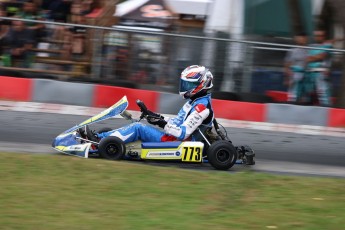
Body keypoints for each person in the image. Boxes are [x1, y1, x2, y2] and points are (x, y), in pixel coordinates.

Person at [80, 65, 215, 144]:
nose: (185, 87)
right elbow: (178, 123)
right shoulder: (195, 101)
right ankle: (102, 137)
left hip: (176, 143)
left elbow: (183, 133)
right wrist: (156, 117)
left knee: (138, 128)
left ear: (201, 84)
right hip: (173, 138)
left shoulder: (201, 107)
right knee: (136, 126)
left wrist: (162, 124)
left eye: (189, 84)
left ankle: (97, 142)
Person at [305, 29, 333, 106]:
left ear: (324, 37)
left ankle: (327, 112)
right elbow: (307, 59)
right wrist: (315, 57)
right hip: (310, 73)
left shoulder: (328, 45)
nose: (319, 37)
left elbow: (321, 56)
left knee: (323, 95)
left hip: (321, 73)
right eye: (317, 36)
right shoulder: (311, 46)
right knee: (308, 94)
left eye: (321, 36)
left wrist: (312, 58)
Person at [284, 32, 309, 103]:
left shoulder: (309, 50)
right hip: (294, 75)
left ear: (306, 39)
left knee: (304, 96)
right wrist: (286, 78)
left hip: (305, 76)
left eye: (303, 38)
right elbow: (287, 64)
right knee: (293, 95)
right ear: (296, 39)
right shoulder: (292, 51)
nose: (301, 39)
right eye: (299, 37)